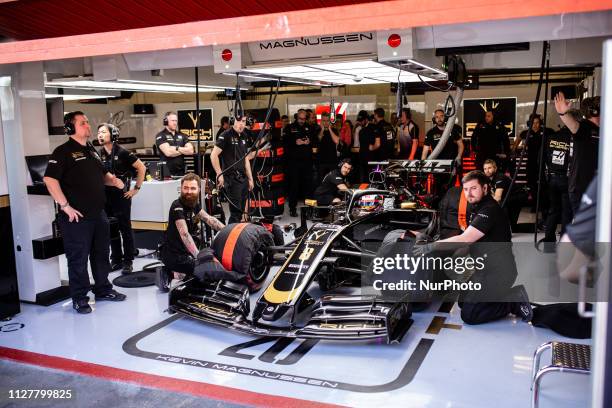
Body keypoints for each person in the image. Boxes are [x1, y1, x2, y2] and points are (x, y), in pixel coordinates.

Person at [415, 170, 532, 324]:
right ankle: (497, 297)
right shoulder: (476, 208)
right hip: (484, 270)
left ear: (485, 188)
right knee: (463, 302)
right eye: (466, 189)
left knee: (470, 315)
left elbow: (466, 238)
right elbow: (470, 244)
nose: (469, 194)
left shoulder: (490, 209)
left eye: (473, 188)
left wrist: (430, 247)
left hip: (499, 273)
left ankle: (512, 300)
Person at [43, 111, 127, 314]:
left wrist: (114, 181)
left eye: (88, 122)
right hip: (76, 217)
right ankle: (80, 298)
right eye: (83, 123)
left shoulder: (91, 150)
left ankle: (103, 289)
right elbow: (49, 180)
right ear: (70, 128)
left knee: (100, 254)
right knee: (78, 259)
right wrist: (65, 206)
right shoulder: (62, 152)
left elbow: (102, 175)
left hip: (98, 213)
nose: (88, 126)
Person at [97, 123, 146, 274]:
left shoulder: (123, 152)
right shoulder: (99, 153)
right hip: (106, 195)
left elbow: (141, 168)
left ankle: (128, 261)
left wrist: (136, 189)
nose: (100, 135)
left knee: (125, 227)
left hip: (122, 195)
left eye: (103, 132)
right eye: (98, 132)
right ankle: (116, 259)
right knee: (111, 228)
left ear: (113, 134)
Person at [161, 173, 225, 277]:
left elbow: (209, 219)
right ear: (181, 188)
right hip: (175, 256)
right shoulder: (177, 206)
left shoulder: (193, 204)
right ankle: (172, 274)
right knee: (209, 273)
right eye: (185, 188)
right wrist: (199, 257)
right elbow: (184, 234)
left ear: (199, 189)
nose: (189, 192)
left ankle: (176, 273)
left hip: (187, 254)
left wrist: (228, 230)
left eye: (192, 188)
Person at [554, 93, 600, 213]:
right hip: (582, 188)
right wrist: (563, 113)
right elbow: (574, 126)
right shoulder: (586, 127)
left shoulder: (602, 129)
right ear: (594, 111)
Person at [211, 115, 254, 224]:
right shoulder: (225, 135)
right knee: (236, 213)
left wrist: (250, 178)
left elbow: (245, 159)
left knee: (241, 212)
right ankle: (229, 237)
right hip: (231, 179)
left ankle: (237, 235)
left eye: (243, 121)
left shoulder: (244, 135)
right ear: (232, 121)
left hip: (243, 178)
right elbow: (213, 155)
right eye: (238, 121)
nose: (241, 124)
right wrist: (219, 173)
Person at [542, 126, 573, 243]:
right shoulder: (572, 138)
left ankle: (549, 241)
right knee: (566, 211)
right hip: (566, 178)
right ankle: (564, 242)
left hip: (552, 178)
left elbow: (541, 158)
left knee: (553, 210)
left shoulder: (550, 138)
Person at [512, 114, 549, 207]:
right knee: (531, 183)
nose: (535, 125)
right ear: (530, 123)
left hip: (542, 162)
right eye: (533, 123)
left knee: (542, 183)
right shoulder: (527, 132)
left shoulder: (545, 131)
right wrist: (514, 149)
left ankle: (542, 204)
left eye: (537, 123)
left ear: (540, 123)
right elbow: (517, 142)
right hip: (531, 162)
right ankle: (534, 204)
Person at [283, 109, 313, 217]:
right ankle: (292, 208)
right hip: (294, 163)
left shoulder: (309, 127)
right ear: (296, 117)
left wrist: (309, 142)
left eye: (304, 119)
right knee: (294, 186)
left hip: (307, 162)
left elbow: (313, 141)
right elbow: (284, 143)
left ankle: (309, 209)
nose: (302, 121)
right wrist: (295, 142)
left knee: (308, 187)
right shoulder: (289, 128)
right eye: (300, 119)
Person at [482, 159, 521, 229]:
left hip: (517, 197)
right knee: (513, 226)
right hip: (507, 197)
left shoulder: (500, 177)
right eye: (485, 169)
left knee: (501, 205)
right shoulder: (488, 179)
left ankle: (503, 228)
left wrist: (486, 209)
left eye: (489, 168)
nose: (487, 171)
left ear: (495, 168)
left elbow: (497, 198)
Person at [154, 112, 195, 176]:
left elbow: (190, 151)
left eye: (176, 121)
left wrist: (176, 148)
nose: (175, 123)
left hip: (181, 172)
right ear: (166, 122)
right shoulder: (161, 135)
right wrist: (184, 150)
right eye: (173, 120)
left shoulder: (182, 135)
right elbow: (168, 153)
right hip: (166, 173)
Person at [316, 111, 340, 183]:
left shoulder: (334, 130)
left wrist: (329, 129)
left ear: (330, 121)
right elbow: (319, 138)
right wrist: (322, 129)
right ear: (321, 121)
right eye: (324, 120)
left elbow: (336, 141)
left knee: (333, 181)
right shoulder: (318, 131)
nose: (326, 122)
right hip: (321, 161)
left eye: (327, 120)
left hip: (332, 160)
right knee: (322, 181)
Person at [356, 110, 376, 182]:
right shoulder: (361, 130)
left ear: (366, 119)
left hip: (371, 159)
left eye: (362, 120)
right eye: (359, 120)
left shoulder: (372, 128)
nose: (360, 122)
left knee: (370, 179)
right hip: (363, 159)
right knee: (364, 180)